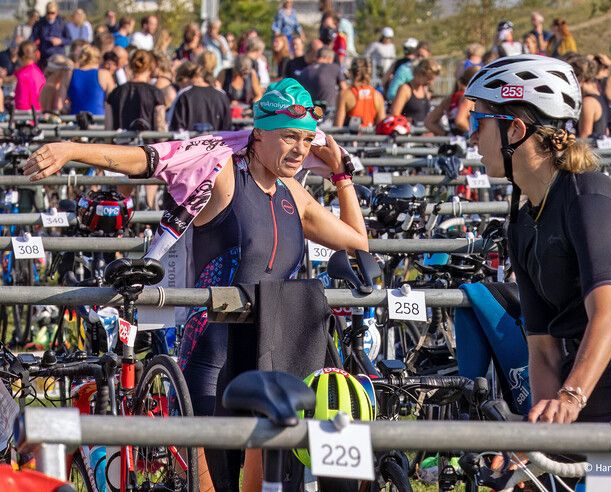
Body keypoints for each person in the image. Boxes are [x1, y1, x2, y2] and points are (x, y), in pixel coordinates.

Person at [23, 77, 368, 491]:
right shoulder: (222, 173)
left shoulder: (293, 193)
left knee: (266, 487)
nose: (299, 148)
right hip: (212, 362)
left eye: (307, 139)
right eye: (289, 136)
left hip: (276, 359)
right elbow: (146, 160)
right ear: (259, 132)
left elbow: (357, 240)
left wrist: (340, 174)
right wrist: (72, 150)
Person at [464, 54, 611, 492]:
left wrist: (569, 399)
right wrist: (539, 435)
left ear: (516, 129)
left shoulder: (589, 199)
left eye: (480, 121)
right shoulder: (522, 221)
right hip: (583, 385)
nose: (472, 135)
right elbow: (544, 349)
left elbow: (607, 318)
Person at [106, 50, 166, 132]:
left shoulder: (115, 92)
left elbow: (108, 128)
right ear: (151, 67)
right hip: (148, 143)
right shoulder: (156, 93)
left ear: (130, 65)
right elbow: (160, 128)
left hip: (120, 143)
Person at [168, 61, 231, 131]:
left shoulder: (184, 95)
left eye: (179, 81)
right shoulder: (221, 95)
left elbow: (175, 127)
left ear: (186, 78)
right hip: (218, 141)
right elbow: (227, 126)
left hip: (190, 141)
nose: (180, 86)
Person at [65, 44, 116, 116]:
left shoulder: (70, 74)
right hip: (99, 121)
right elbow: (114, 101)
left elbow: (61, 105)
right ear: (98, 58)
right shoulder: (104, 74)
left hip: (75, 121)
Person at [425, 66, 477, 136]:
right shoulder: (469, 98)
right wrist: (477, 135)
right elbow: (460, 121)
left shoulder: (450, 99)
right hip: (468, 143)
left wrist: (448, 135)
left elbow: (428, 122)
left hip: (456, 143)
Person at [334, 58, 386, 128]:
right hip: (370, 138)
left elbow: (337, 125)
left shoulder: (345, 94)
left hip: (348, 138)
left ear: (351, 72)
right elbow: (381, 126)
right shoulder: (378, 96)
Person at [390, 58, 440, 126]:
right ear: (420, 74)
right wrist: (410, 121)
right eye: (429, 79)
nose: (431, 83)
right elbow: (394, 115)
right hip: (410, 133)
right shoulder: (405, 89)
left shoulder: (424, 89)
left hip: (423, 133)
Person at [296, 47, 346, 112]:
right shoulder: (334, 67)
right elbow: (344, 88)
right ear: (329, 58)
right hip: (327, 112)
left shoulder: (304, 70)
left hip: (308, 111)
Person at [570, 56, 608, 139]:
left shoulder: (588, 102)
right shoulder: (598, 94)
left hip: (592, 151)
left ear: (581, 78)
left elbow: (585, 137)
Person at [31, 2, 71, 68]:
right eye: (48, 13)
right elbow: (33, 38)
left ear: (57, 12)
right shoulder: (40, 23)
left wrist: (60, 41)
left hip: (58, 55)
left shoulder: (62, 23)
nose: (50, 15)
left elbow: (69, 39)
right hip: (44, 57)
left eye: (52, 13)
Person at [384, 38, 420, 102]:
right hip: (405, 97)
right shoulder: (415, 64)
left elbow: (384, 79)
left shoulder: (397, 63)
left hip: (393, 96)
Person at [14, 41, 45, 111]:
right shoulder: (38, 72)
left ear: (19, 56)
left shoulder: (23, 75)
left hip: (27, 118)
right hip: (39, 115)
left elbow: (21, 103)